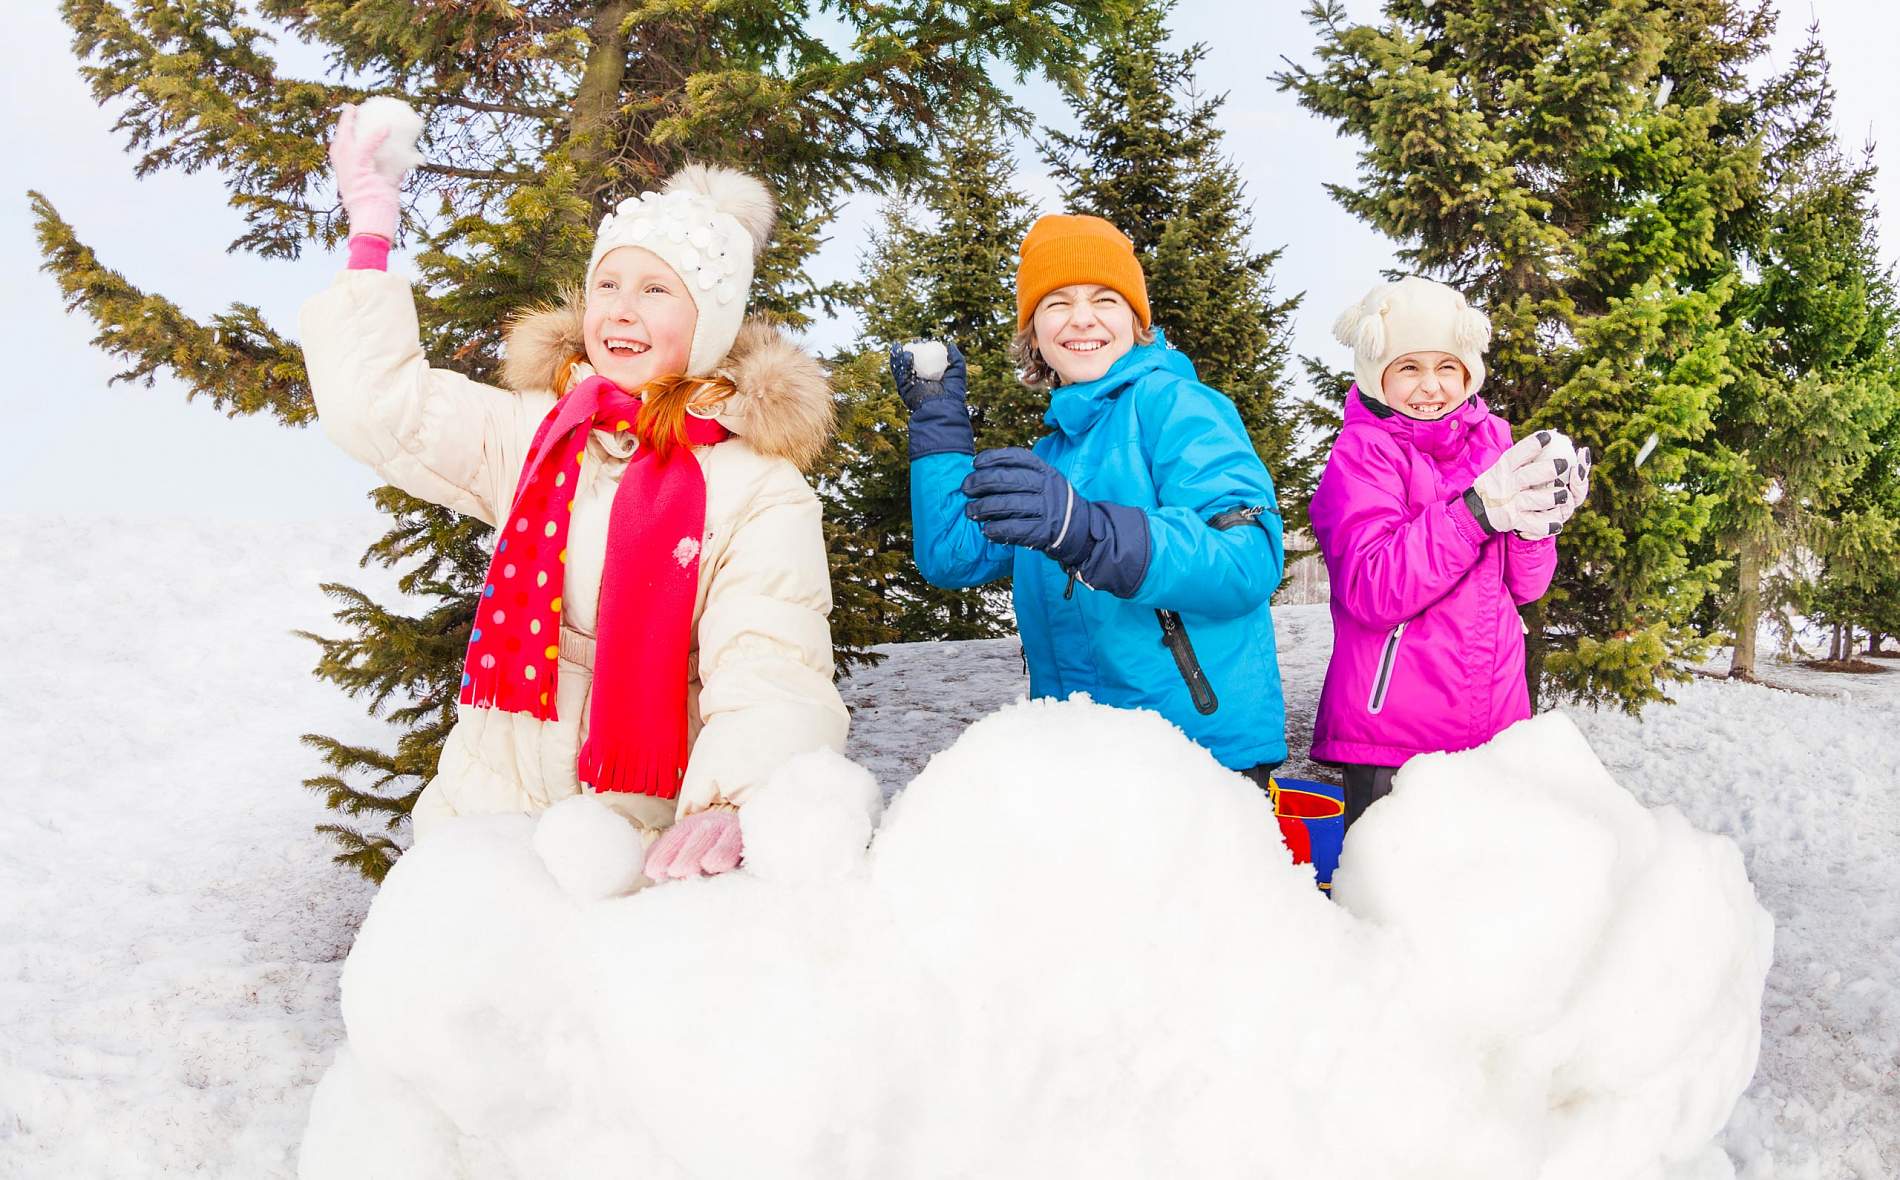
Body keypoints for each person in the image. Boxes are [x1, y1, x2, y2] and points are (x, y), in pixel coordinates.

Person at [300, 105, 849, 881]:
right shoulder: (541, 435)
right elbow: (380, 411)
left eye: (657, 289)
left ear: (711, 322)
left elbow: (772, 660)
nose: (621, 308)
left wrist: (740, 796)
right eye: (608, 284)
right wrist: (370, 227)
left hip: (635, 851)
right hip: (483, 826)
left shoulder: (759, 488)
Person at [898, 213, 1289, 787]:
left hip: (1197, 758)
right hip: (1081, 756)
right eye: (1056, 303)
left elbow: (1246, 559)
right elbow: (952, 555)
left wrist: (1089, 532)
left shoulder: (1178, 405)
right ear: (1034, 336)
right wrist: (939, 427)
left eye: (1105, 299)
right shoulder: (1053, 451)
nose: (1082, 318)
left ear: (1136, 320)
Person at [1310, 277, 1591, 829]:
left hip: (1495, 727)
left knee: (1476, 903)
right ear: (1377, 374)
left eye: (1446, 367)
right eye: (1409, 368)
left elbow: (1525, 588)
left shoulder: (1497, 444)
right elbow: (1373, 585)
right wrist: (1474, 514)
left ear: (1468, 371)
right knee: (1390, 901)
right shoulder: (1362, 454)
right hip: (1391, 732)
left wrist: (1538, 528)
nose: (1431, 386)